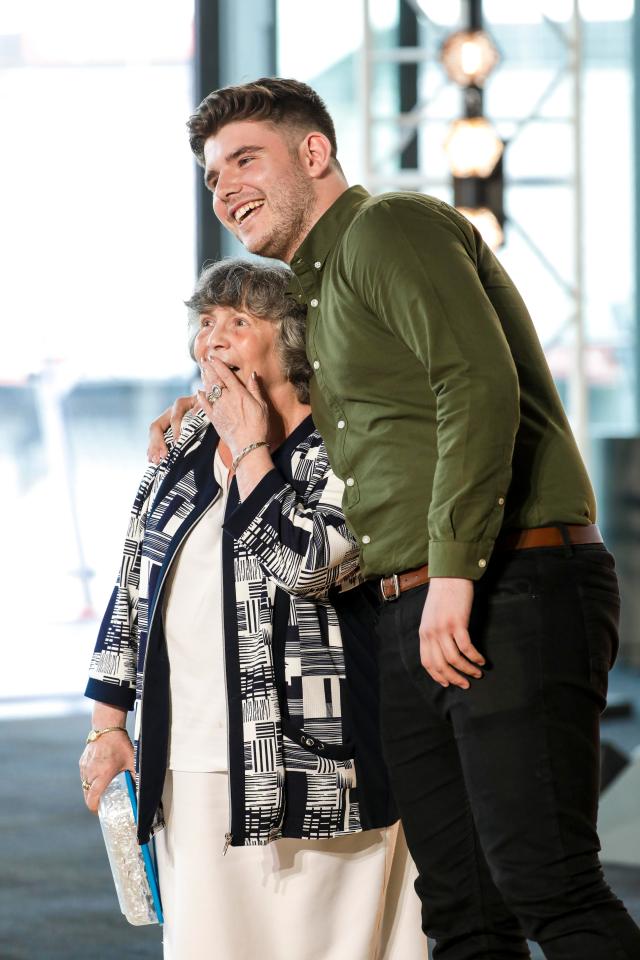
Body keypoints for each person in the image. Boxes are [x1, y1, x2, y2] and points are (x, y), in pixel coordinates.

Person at [149, 76, 640, 959]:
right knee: (457, 906)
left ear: (314, 153)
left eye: (244, 160)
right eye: (213, 175)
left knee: (547, 886)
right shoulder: (317, 294)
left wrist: (454, 576)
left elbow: (475, 384)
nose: (223, 189)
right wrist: (196, 418)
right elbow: (333, 424)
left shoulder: (389, 228)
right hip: (410, 601)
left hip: (506, 579)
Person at [79, 259, 427, 960]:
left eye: (240, 320)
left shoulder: (346, 446)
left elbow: (308, 566)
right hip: (187, 764)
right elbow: (131, 587)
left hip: (317, 766)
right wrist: (107, 726)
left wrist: (250, 449)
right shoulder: (181, 444)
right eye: (206, 321)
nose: (215, 337)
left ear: (291, 337)